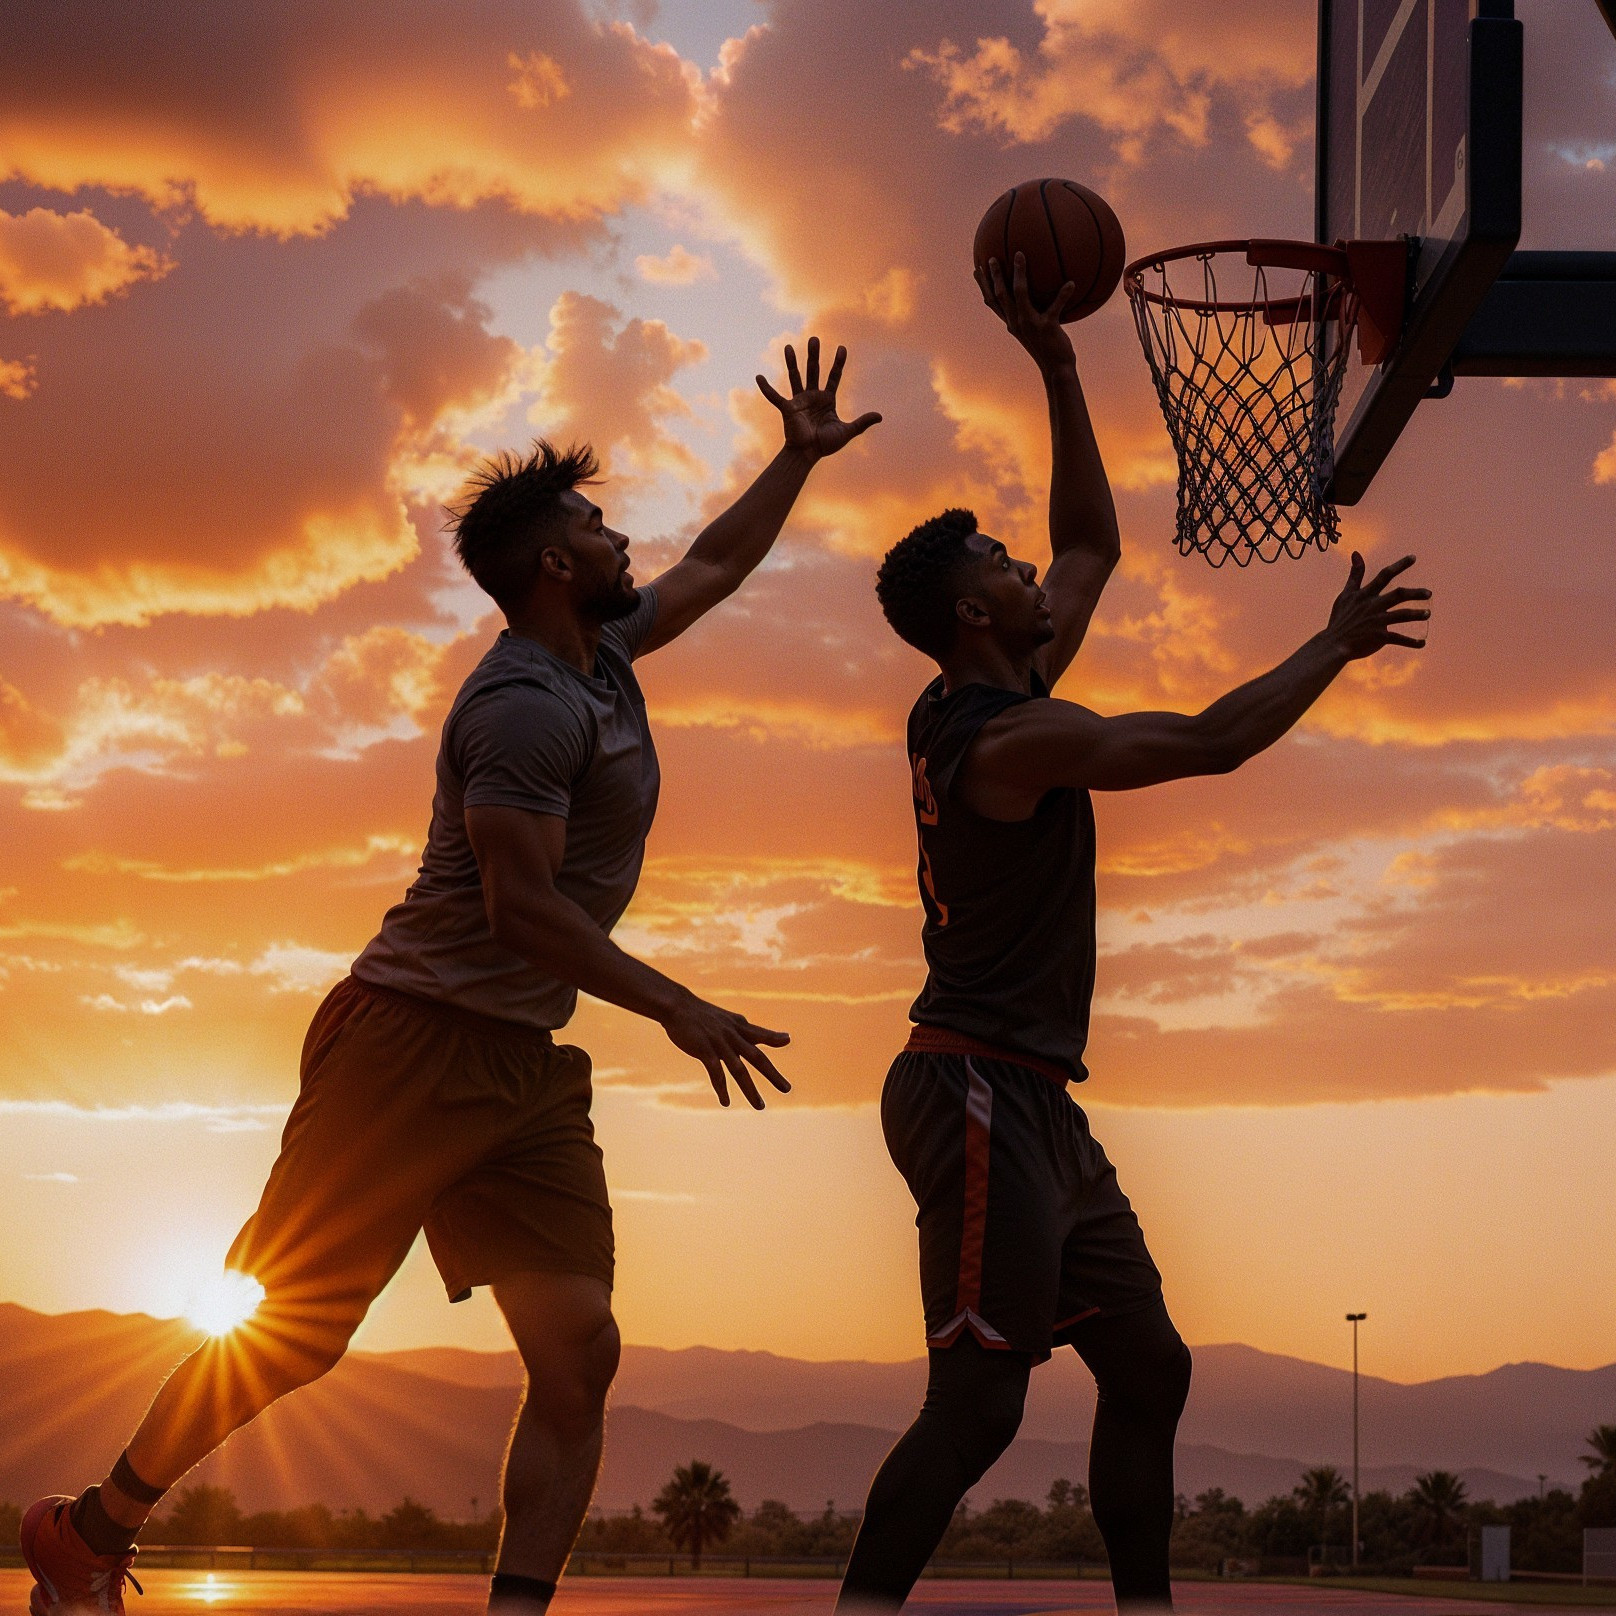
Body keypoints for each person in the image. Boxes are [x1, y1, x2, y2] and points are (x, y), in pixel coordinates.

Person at [22, 339, 880, 1616]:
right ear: (550, 562)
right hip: (407, 1040)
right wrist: (678, 1006)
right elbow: (520, 908)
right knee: (301, 1335)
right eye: (592, 521)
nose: (616, 533)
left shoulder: (607, 654)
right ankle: (93, 1524)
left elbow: (713, 564)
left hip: (522, 1064)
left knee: (579, 1349)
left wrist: (791, 461)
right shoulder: (525, 703)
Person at [836, 256, 1430, 1613]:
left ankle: (1144, 1608)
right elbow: (1213, 740)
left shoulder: (1010, 686)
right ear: (976, 614)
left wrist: (1057, 365)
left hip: (1034, 1096)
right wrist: (1330, 648)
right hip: (972, 1086)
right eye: (1001, 562)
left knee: (1151, 1368)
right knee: (982, 1404)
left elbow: (1093, 545)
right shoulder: (1011, 735)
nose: (1030, 562)